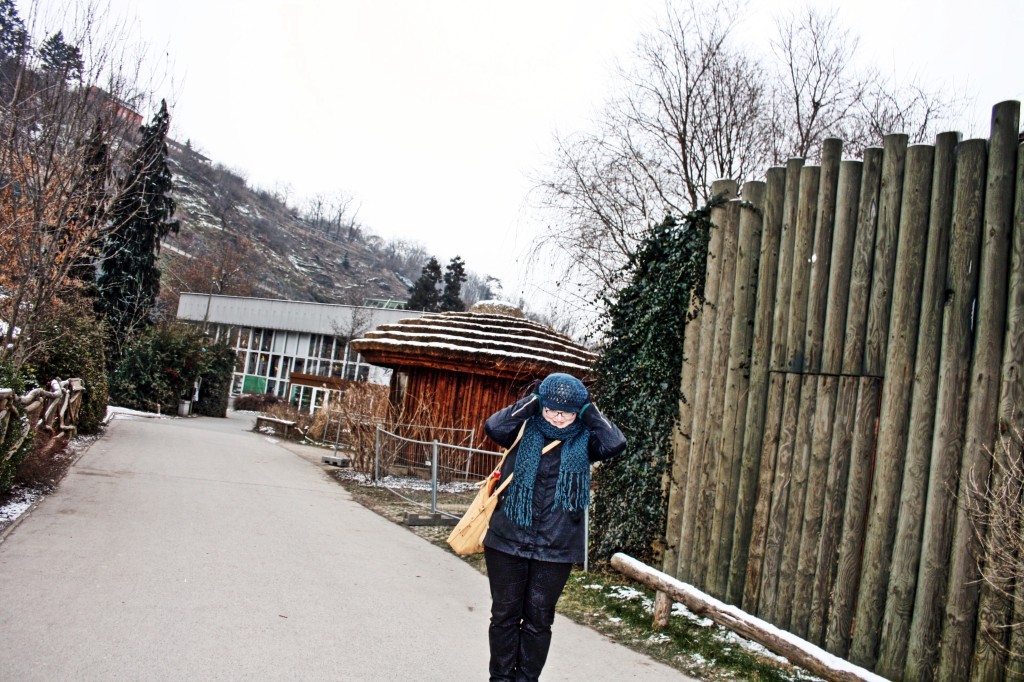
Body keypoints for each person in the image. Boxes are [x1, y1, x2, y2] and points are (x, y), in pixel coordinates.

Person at [482, 372, 626, 682]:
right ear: (542, 405)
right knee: (504, 616)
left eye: (567, 412)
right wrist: (533, 402)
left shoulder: (586, 441)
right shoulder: (523, 428)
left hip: (556, 546)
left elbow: (616, 443)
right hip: (507, 539)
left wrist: (589, 410)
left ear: (578, 411)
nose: (558, 418)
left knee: (539, 621)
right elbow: (494, 426)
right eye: (551, 409)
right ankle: (500, 678)